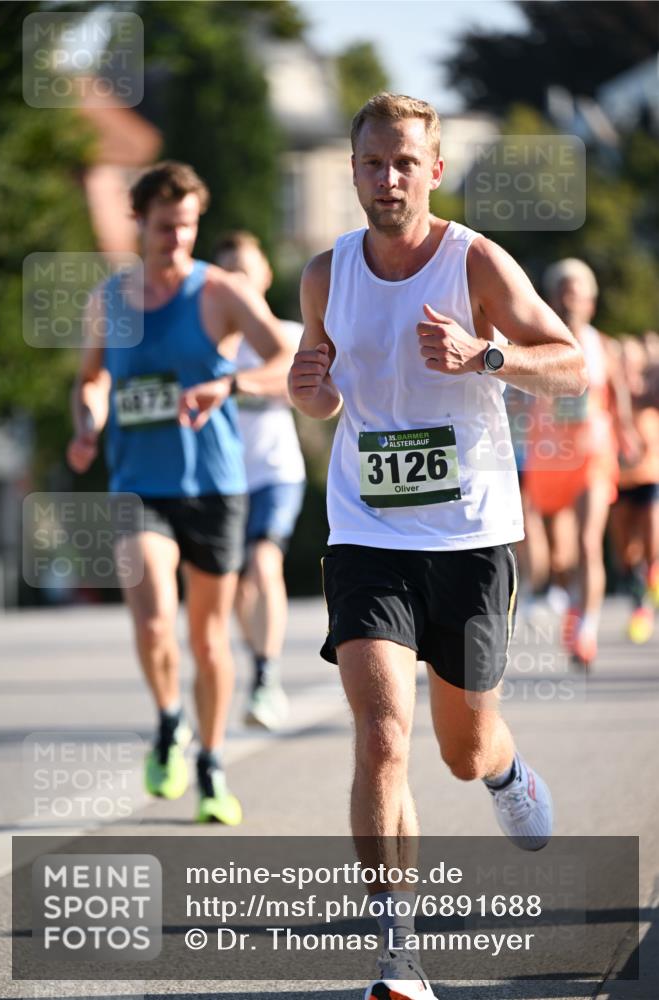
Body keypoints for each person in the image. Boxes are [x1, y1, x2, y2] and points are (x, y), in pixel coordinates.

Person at [288, 93, 587, 1000]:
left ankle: (502, 769)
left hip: (469, 535)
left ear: (434, 171)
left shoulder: (474, 261)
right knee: (382, 735)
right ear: (353, 170)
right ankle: (397, 953)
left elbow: (572, 365)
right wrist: (308, 388)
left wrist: (484, 357)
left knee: (461, 748)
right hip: (367, 531)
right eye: (372, 163)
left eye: (404, 163)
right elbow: (322, 394)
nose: (387, 179)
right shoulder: (324, 274)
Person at [67, 161, 290, 825]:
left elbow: (288, 361)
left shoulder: (220, 292)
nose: (178, 240)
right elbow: (91, 379)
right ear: (139, 222)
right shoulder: (109, 301)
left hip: (215, 488)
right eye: (166, 227)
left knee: (209, 640)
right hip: (138, 486)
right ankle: (169, 720)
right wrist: (89, 422)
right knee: (154, 619)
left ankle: (211, 763)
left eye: (188, 226)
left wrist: (229, 384)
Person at [523, 259, 638, 668]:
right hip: (548, 459)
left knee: (590, 542)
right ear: (552, 300)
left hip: (593, 454)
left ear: (591, 302)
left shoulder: (603, 346)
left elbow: (619, 394)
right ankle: (570, 599)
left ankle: (585, 628)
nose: (570, 301)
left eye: (578, 293)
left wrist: (628, 433)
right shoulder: (537, 343)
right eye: (563, 293)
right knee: (561, 556)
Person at [212, 231, 306, 729]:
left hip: (276, 473)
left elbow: (302, 384)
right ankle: (260, 666)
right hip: (224, 478)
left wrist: (238, 384)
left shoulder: (287, 334)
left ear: (265, 275)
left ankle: (266, 678)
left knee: (264, 565)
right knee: (234, 589)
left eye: (246, 273)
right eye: (229, 275)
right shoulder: (211, 341)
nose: (240, 284)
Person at [609, 335, 659, 642]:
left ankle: (652, 588)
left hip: (650, 474)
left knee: (653, 542)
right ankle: (639, 603)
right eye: (622, 357)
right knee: (626, 552)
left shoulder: (650, 389)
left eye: (632, 357)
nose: (626, 363)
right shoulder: (612, 391)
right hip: (618, 478)